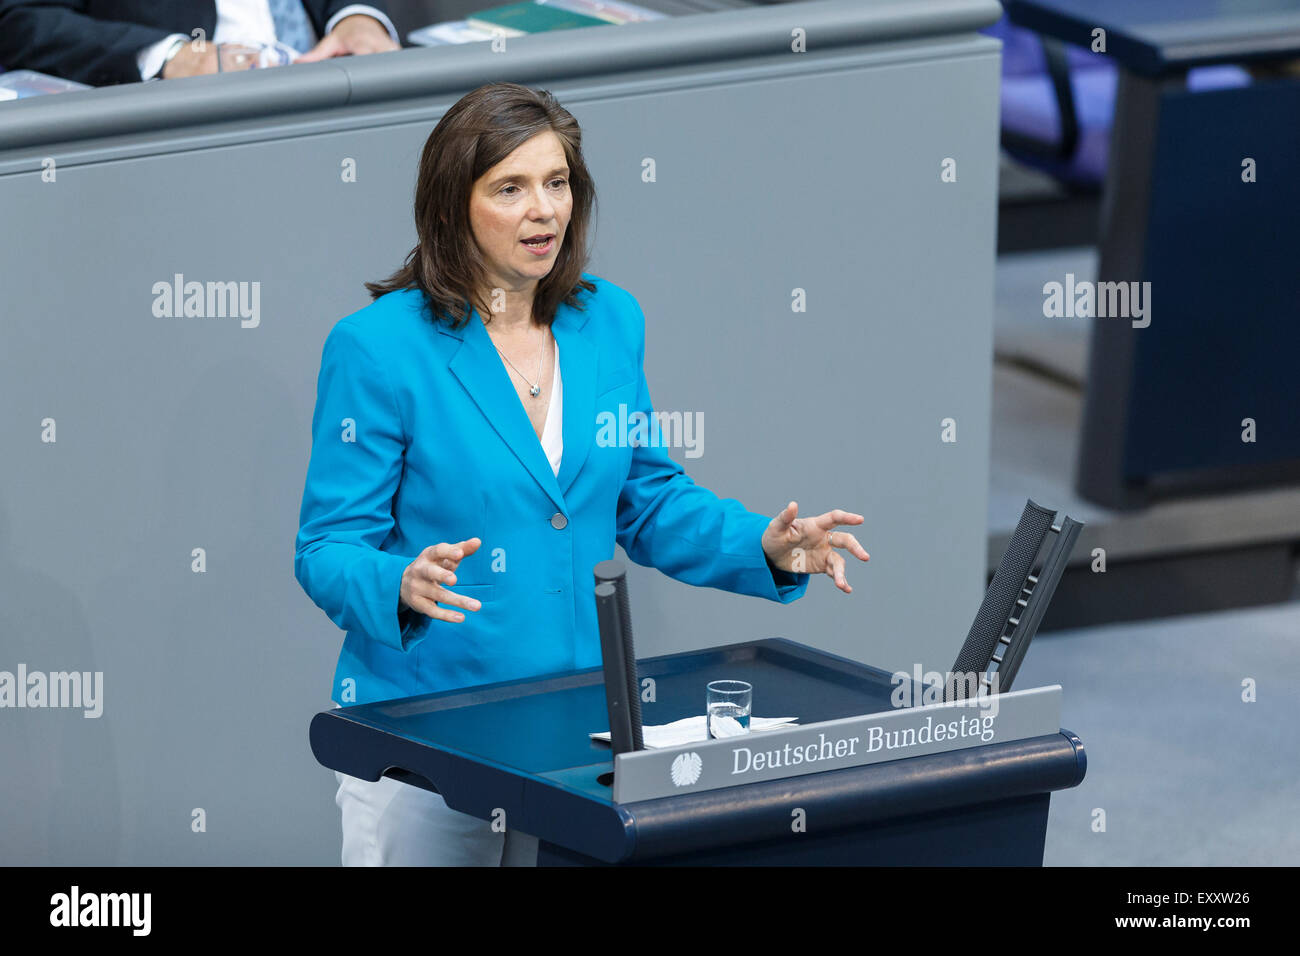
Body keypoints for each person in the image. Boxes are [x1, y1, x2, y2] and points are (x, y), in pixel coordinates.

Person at [293, 81, 871, 866]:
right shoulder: (378, 349)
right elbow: (327, 546)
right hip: (426, 734)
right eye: (511, 188)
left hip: (574, 734)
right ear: (451, 207)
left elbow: (646, 500)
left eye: (558, 182)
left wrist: (762, 547)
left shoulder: (608, 321)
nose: (545, 210)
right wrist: (397, 585)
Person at [0, 1, 399, 86]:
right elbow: (21, 20)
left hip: (344, 89)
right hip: (185, 119)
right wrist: (167, 55)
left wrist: (357, 15)